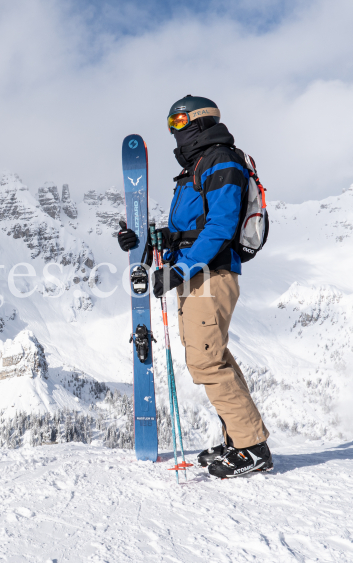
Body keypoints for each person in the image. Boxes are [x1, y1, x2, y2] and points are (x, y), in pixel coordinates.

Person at [116, 95, 272, 478]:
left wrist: (179, 270)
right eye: (171, 124)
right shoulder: (196, 169)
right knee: (212, 357)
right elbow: (189, 232)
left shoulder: (221, 160)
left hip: (210, 275)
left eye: (180, 122)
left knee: (206, 361)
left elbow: (219, 227)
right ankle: (241, 438)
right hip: (196, 275)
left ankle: (251, 450)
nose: (175, 131)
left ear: (201, 122)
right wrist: (148, 241)